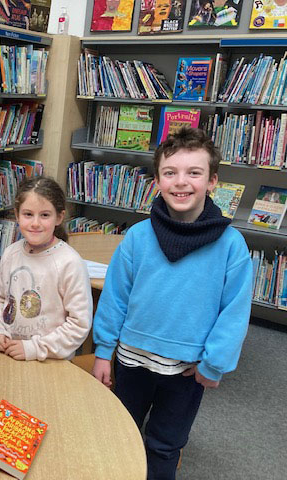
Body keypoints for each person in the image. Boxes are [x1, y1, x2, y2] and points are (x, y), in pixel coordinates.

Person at [91, 128, 252, 479]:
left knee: (165, 445)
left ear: (212, 181)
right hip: (132, 361)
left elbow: (234, 312)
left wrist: (215, 363)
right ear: (157, 180)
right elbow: (116, 297)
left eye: (194, 173)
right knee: (120, 432)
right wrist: (103, 351)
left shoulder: (231, 245)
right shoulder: (138, 236)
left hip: (186, 371)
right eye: (170, 173)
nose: (181, 182)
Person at [0, 176, 93, 361]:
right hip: (8, 354)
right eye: (28, 214)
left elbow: (79, 324)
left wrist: (35, 348)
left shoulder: (70, 262)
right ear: (17, 215)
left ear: (59, 217)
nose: (35, 223)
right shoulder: (11, 253)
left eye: (45, 215)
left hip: (50, 362)